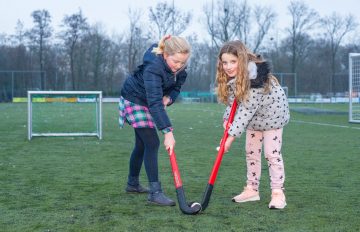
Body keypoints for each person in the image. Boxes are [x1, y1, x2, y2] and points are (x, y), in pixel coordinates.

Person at [216, 40, 290, 209]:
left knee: (271, 154)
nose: (228, 66)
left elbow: (245, 111)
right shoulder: (234, 77)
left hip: (272, 117)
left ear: (242, 60)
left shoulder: (256, 78)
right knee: (251, 152)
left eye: (233, 62)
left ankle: (278, 193)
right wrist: (227, 119)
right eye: (225, 62)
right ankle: (252, 190)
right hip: (254, 119)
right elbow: (234, 103)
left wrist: (229, 139)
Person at [119, 35, 191, 206]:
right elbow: (154, 103)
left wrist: (169, 98)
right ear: (165, 54)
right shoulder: (154, 68)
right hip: (134, 98)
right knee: (152, 143)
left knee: (142, 144)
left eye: (183, 62)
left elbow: (176, 88)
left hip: (150, 101)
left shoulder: (180, 71)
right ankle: (155, 192)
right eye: (175, 61)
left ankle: (132, 184)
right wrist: (167, 131)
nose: (179, 66)